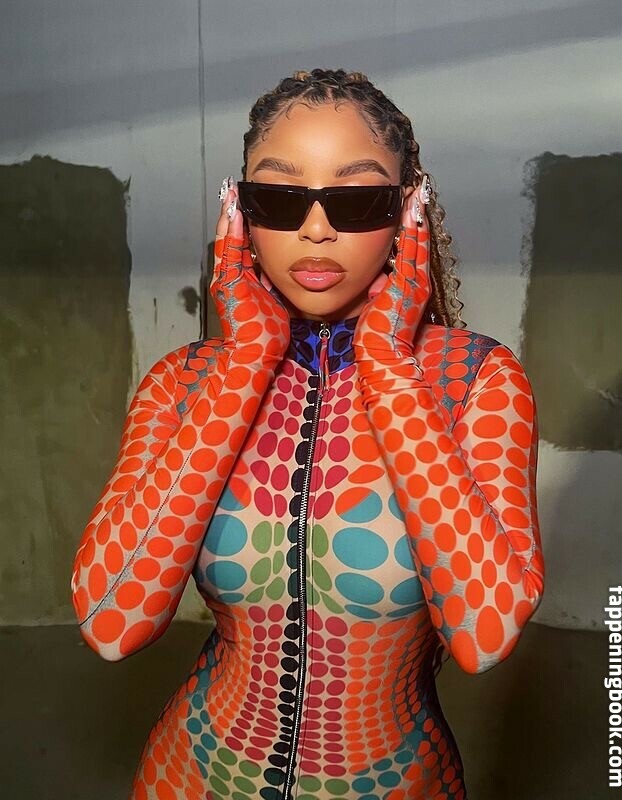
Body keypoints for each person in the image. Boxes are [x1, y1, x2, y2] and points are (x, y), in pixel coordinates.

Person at [71, 68, 544, 800]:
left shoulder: (475, 380)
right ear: (241, 211)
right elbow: (110, 623)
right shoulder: (183, 383)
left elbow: (486, 635)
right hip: (189, 773)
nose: (316, 228)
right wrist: (246, 360)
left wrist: (387, 361)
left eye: (356, 200)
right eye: (281, 197)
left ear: (408, 209)